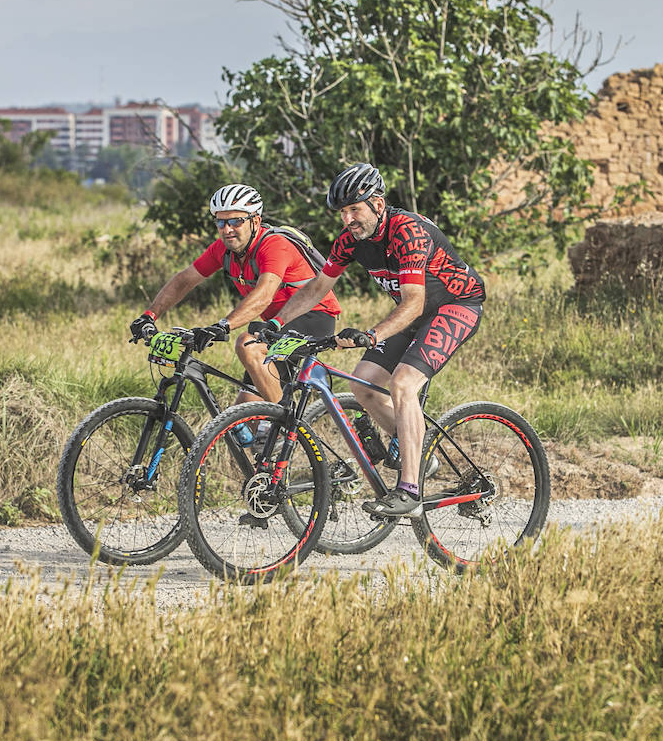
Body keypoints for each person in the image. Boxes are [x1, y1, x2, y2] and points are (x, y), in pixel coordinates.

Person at [272, 163, 486, 516]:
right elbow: (316, 288)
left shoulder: (408, 231)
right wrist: (277, 323)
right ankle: (418, 452)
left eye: (355, 209)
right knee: (365, 386)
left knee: (403, 384)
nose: (348, 219)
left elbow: (414, 300)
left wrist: (372, 334)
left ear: (378, 204)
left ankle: (410, 490)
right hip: (412, 313)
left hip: (455, 306)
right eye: (343, 212)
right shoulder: (350, 241)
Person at [129, 184, 342, 408]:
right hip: (276, 325)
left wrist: (223, 325)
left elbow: (264, 295)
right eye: (221, 222)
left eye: (235, 221)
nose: (227, 229)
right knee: (243, 415)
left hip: (314, 316)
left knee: (246, 344)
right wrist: (149, 315)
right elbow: (185, 279)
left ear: (255, 222)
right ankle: (270, 435)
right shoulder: (223, 250)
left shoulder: (275, 245)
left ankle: (286, 423)